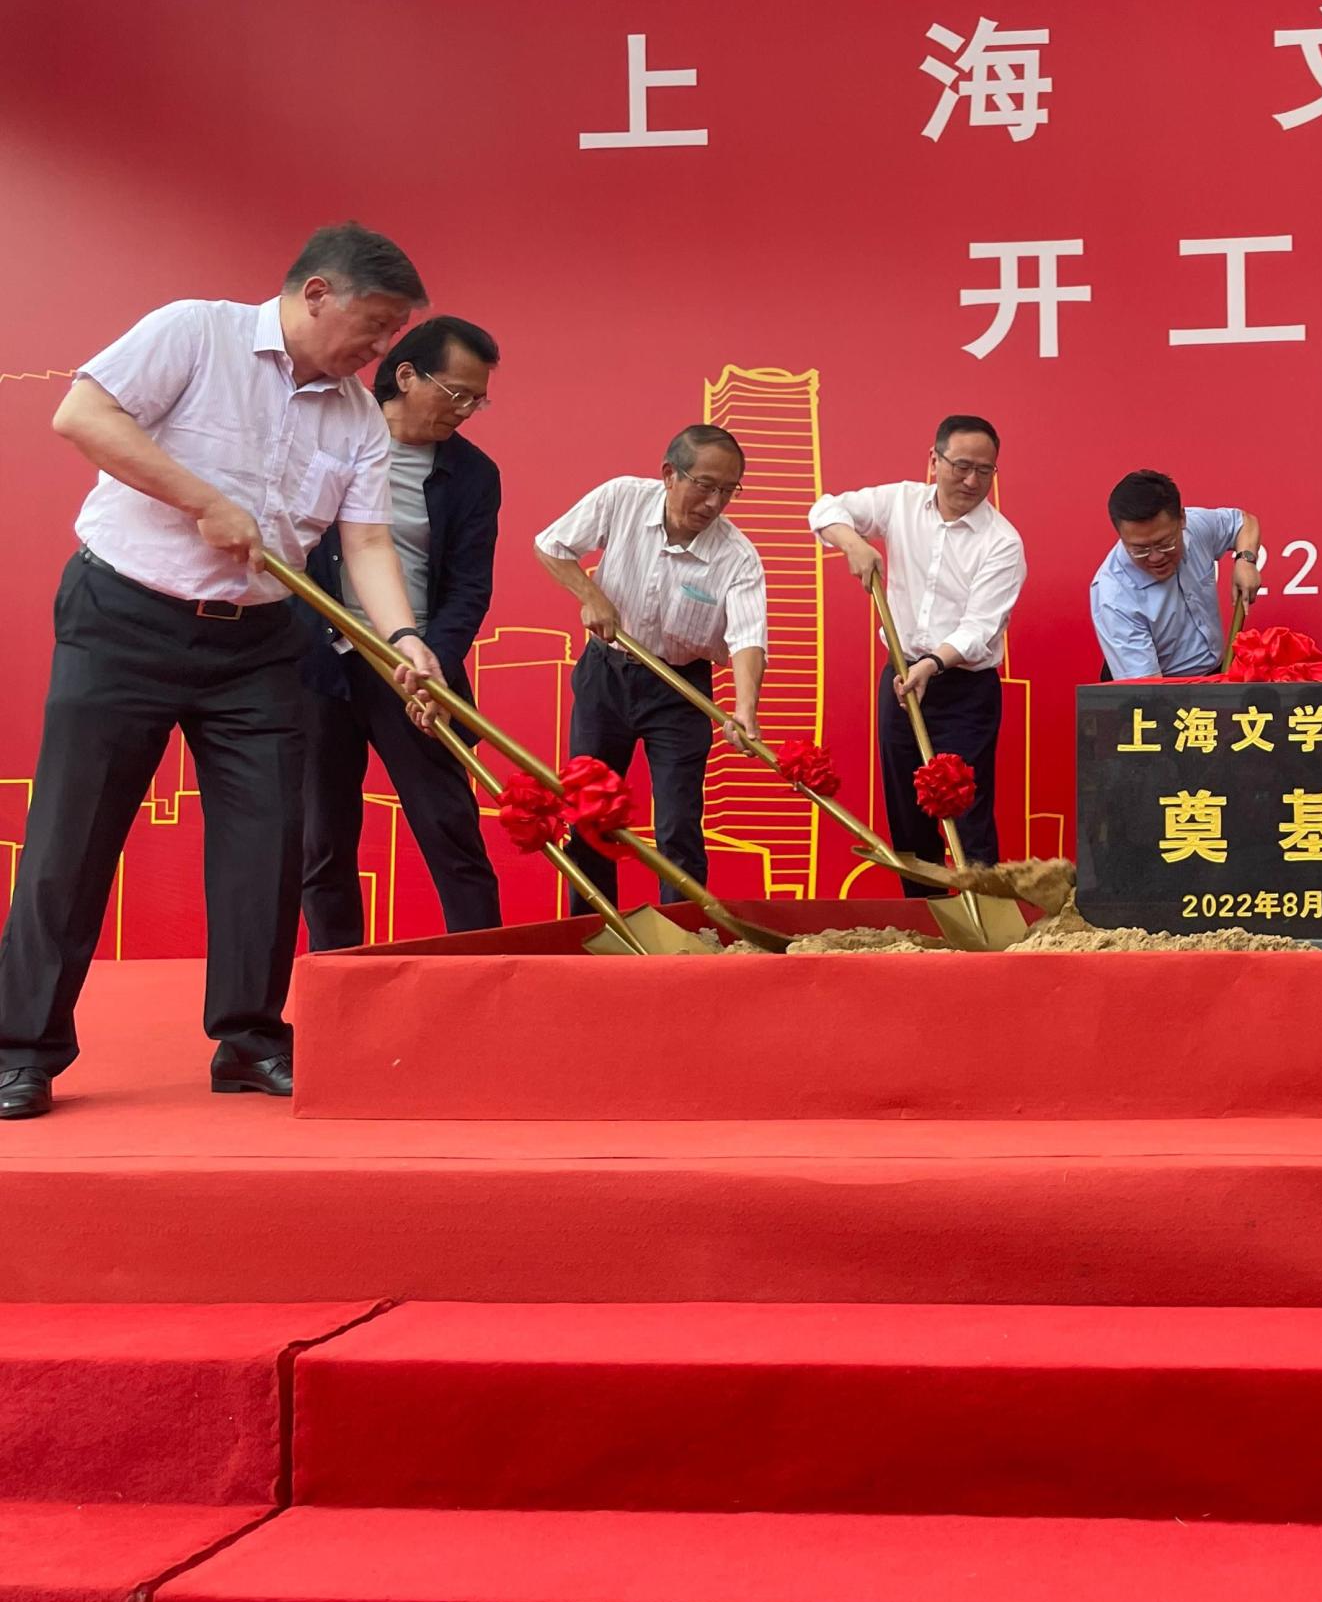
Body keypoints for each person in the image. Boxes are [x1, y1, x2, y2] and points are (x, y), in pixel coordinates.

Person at [0, 224, 438, 1120]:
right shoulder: (195, 331)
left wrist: (402, 636)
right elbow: (82, 416)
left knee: (269, 839)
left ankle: (249, 1037)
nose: (382, 346)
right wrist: (202, 499)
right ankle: (22, 1047)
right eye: (377, 323)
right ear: (317, 293)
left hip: (260, 642)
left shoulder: (357, 417)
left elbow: (364, 542)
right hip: (124, 616)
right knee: (72, 839)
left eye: (395, 330)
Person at [298, 316, 504, 950]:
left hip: (414, 672)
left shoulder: (473, 474)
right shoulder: (328, 434)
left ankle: (483, 971)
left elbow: (468, 588)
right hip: (319, 667)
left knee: (451, 829)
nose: (465, 411)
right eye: (456, 393)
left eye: (477, 400)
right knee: (322, 840)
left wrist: (433, 663)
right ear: (407, 375)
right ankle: (339, 976)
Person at [533, 425, 767, 912]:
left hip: (680, 689)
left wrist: (745, 708)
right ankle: (595, 929)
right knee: (589, 812)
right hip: (606, 676)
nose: (715, 503)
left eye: (729, 491)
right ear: (669, 474)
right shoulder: (622, 498)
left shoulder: (737, 556)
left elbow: (747, 636)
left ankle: (683, 933)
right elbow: (551, 545)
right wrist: (592, 595)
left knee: (678, 824)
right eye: (705, 485)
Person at [811, 415, 1028, 891]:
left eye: (985, 471)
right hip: (901, 678)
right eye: (961, 466)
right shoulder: (901, 502)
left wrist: (932, 664)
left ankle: (985, 914)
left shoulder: (1002, 542)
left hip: (963, 689)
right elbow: (825, 509)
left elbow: (979, 627)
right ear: (934, 460)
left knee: (966, 812)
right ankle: (925, 918)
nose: (971, 481)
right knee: (908, 815)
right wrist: (853, 543)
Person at [1089, 471, 1263, 678]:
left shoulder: (1196, 527)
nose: (1155, 557)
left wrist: (1246, 560)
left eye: (1165, 544)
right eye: (1140, 549)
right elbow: (1147, 690)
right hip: (1164, 686)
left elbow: (1244, 523)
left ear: (1182, 519)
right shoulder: (1114, 597)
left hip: (1215, 671)